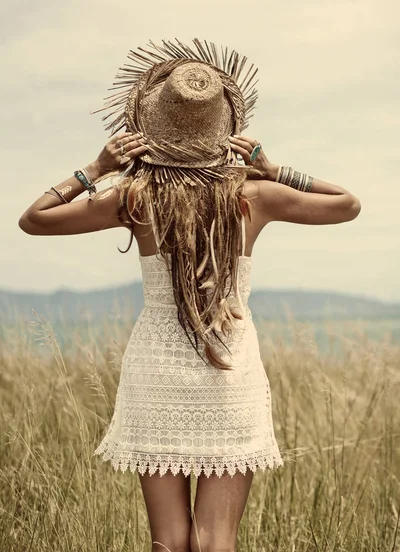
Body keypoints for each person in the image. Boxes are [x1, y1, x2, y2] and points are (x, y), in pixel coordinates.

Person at [18, 38, 361, 552]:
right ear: (223, 128)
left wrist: (93, 169)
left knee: (169, 542)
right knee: (215, 541)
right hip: (230, 364)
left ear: (152, 129)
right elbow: (347, 205)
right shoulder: (255, 194)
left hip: (157, 366)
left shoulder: (134, 196)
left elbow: (34, 220)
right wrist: (275, 169)